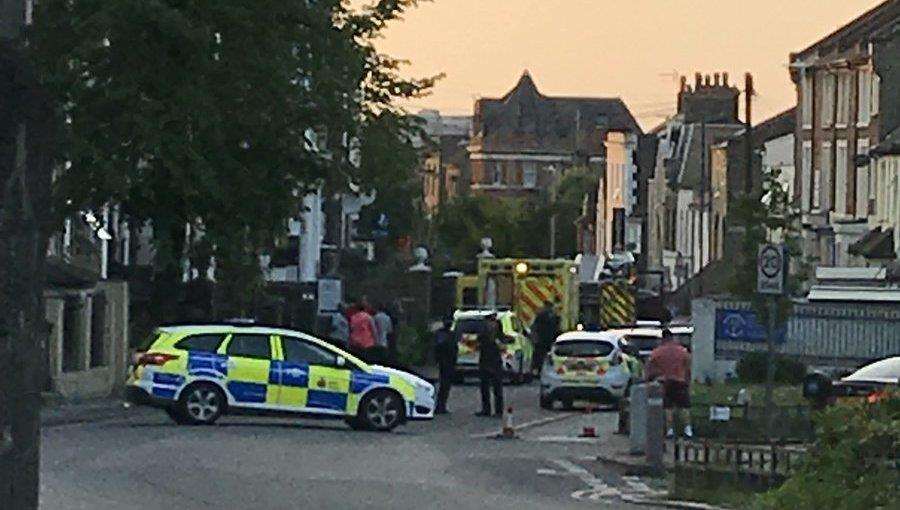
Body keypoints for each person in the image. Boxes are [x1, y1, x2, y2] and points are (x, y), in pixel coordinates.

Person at [644, 328, 692, 438]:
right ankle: (688, 430)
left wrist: (648, 379)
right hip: (680, 381)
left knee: (668, 408)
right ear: (672, 338)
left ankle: (670, 430)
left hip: (665, 382)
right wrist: (688, 381)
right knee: (684, 407)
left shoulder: (657, 352)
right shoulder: (682, 351)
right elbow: (688, 367)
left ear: (663, 339)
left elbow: (649, 367)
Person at [476, 314, 504, 417]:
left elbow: (479, 342)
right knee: (495, 387)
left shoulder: (484, 330)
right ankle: (497, 410)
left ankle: (488, 410)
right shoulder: (496, 330)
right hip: (494, 361)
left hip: (487, 361)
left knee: (487, 387)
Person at [433, 317, 459, 414]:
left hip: (448, 362)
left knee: (446, 385)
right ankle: (440, 406)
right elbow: (440, 347)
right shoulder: (443, 334)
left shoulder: (449, 334)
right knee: (444, 385)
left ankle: (441, 405)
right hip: (445, 362)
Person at [531, 301, 560, 373]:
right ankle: (548, 369)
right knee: (548, 355)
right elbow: (557, 328)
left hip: (542, 339)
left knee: (539, 356)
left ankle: (538, 369)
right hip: (550, 339)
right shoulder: (554, 316)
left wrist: (535, 337)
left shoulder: (541, 315)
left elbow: (535, 327)